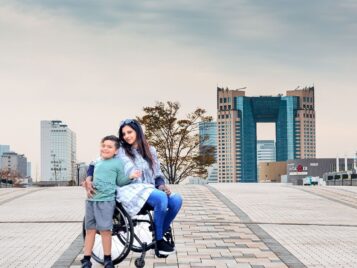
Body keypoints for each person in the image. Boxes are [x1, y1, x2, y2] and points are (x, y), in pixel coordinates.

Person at [85, 119, 183, 256]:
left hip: (149, 189)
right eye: (124, 133)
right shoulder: (119, 151)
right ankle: (159, 241)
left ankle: (157, 230)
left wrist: (162, 186)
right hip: (128, 189)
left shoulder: (151, 151)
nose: (126, 136)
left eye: (129, 132)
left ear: (138, 131)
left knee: (177, 199)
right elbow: (95, 163)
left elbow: (158, 175)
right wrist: (88, 179)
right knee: (161, 198)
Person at [81, 135, 140, 268]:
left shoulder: (117, 163)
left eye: (109, 147)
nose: (105, 148)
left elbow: (120, 181)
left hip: (106, 201)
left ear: (116, 151)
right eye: (103, 146)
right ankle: (86, 259)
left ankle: (107, 258)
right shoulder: (96, 162)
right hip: (91, 200)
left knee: (105, 231)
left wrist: (131, 177)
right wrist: (86, 182)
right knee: (90, 230)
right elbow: (90, 177)